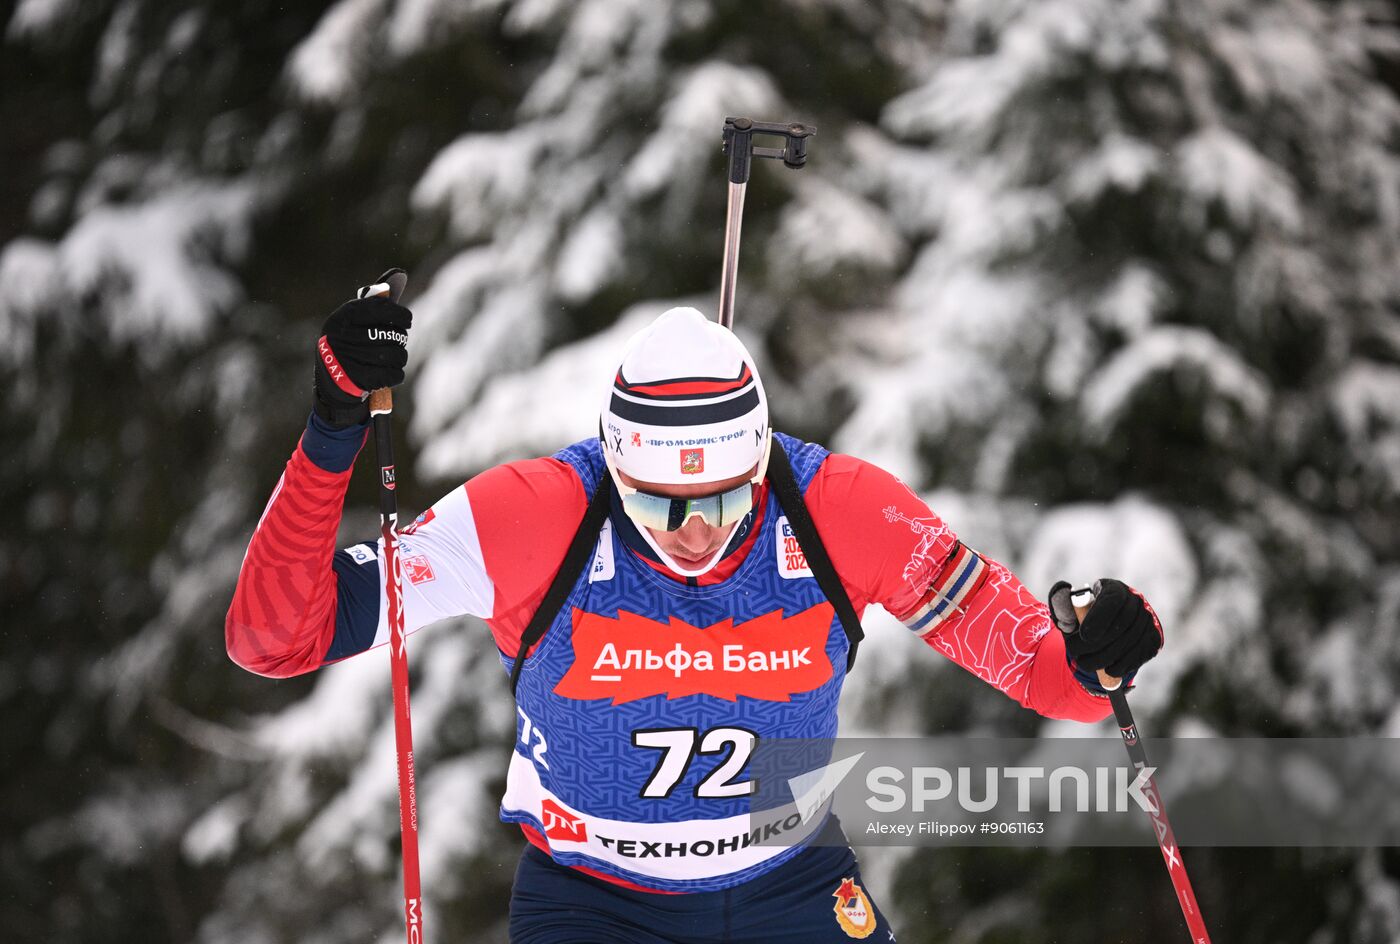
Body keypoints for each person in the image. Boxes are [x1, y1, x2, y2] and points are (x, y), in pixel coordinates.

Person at [227, 296, 1165, 943]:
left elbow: (1055, 678)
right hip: (595, 906)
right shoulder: (534, 516)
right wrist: (333, 426)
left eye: (719, 506)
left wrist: (1105, 648)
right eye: (655, 507)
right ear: (613, 466)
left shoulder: (842, 512)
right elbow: (275, 639)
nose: (689, 539)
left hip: (791, 890)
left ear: (760, 463)